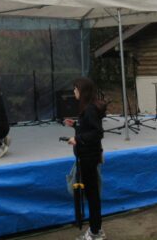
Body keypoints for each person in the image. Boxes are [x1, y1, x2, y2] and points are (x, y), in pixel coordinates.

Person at [63, 78, 106, 240]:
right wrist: (75, 125)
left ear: (83, 91)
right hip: (87, 156)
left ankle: (95, 231)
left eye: (76, 88)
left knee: (92, 195)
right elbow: (89, 128)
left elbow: (97, 133)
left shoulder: (89, 109)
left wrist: (77, 139)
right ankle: (96, 229)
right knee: (91, 194)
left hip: (89, 157)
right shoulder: (88, 109)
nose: (74, 91)